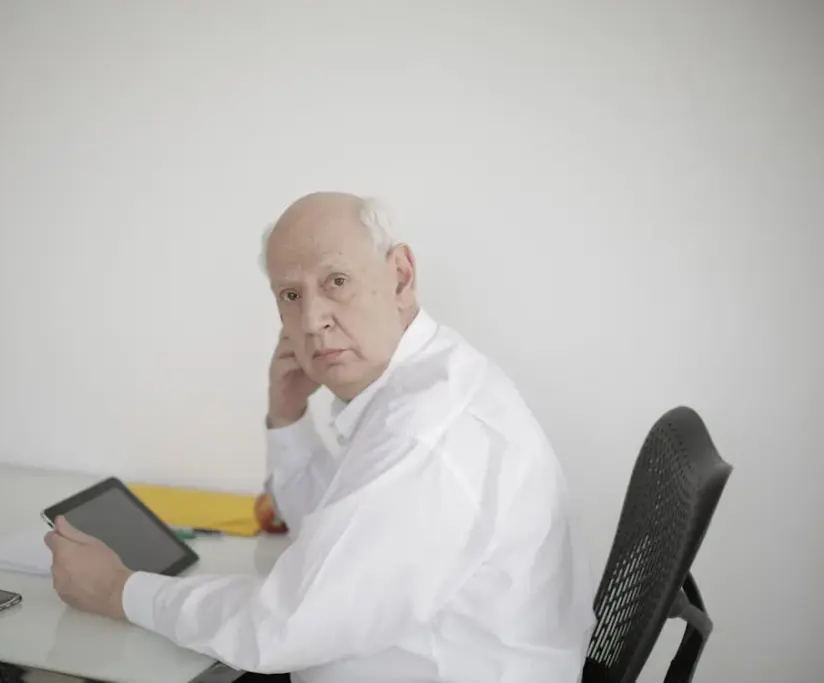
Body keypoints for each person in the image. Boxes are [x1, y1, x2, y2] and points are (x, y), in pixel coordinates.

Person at [44, 192, 596, 682]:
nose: (311, 320)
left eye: (336, 282)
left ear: (401, 276)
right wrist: (286, 417)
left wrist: (117, 590)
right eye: (290, 295)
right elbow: (334, 532)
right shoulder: (423, 381)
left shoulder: (427, 431)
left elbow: (282, 626)